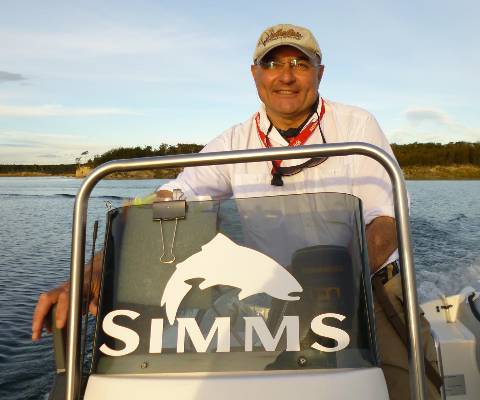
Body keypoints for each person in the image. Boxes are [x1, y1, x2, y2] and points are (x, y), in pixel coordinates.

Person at [32, 24, 439, 399]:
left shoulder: (357, 127)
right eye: (272, 64)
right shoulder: (233, 142)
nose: (285, 76)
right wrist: (93, 270)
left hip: (366, 288)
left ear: (320, 73)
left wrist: (335, 282)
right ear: (254, 74)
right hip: (277, 302)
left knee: (411, 386)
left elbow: (385, 222)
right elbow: (170, 200)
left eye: (299, 64)